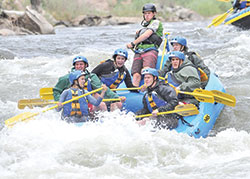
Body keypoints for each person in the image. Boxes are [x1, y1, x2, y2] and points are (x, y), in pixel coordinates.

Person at [53, 55, 123, 111]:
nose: (79, 67)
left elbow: (100, 88)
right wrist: (59, 101)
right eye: (77, 64)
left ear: (85, 65)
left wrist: (115, 97)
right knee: (101, 105)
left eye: (81, 64)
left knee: (113, 104)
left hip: (88, 100)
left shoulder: (91, 77)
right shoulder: (66, 78)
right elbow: (56, 91)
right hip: (72, 102)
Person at [126, 3, 163, 87]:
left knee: (147, 71)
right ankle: (135, 89)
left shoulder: (156, 23)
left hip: (150, 50)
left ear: (154, 13)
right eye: (145, 13)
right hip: (139, 51)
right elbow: (142, 36)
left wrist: (132, 43)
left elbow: (147, 35)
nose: (147, 15)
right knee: (136, 73)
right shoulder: (142, 28)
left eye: (149, 13)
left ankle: (148, 89)